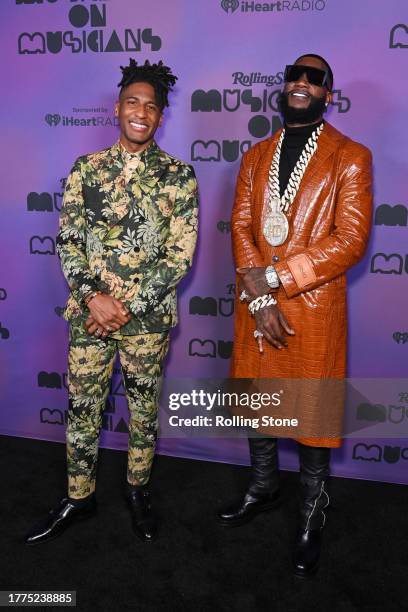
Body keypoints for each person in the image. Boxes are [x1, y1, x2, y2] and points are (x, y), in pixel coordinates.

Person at [25, 59, 198, 545]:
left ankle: (138, 491)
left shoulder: (179, 177)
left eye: (150, 106)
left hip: (146, 322)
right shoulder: (87, 169)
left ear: (160, 117)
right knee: (82, 408)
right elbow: (69, 241)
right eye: (132, 102)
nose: (140, 112)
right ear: (117, 109)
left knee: (143, 413)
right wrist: (92, 299)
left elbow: (179, 254)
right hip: (89, 318)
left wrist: (123, 307)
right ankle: (79, 496)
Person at [217, 54, 372, 577]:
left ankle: (311, 514)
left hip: (312, 307)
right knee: (259, 401)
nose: (302, 83)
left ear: (330, 92)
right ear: (284, 87)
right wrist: (259, 299)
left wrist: (276, 280)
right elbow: (240, 227)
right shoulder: (256, 155)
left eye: (316, 78)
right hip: (257, 308)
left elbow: (350, 240)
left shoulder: (351, 156)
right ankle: (263, 487)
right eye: (295, 75)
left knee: (311, 415)